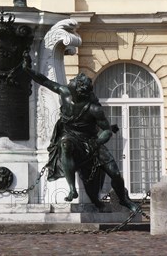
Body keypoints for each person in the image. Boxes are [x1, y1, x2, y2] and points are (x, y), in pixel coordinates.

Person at [26, 69, 139, 213]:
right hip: (70, 135)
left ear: (78, 91)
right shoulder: (65, 93)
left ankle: (123, 199)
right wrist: (27, 70)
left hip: (91, 139)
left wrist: (97, 142)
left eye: (72, 83)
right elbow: (45, 81)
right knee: (64, 144)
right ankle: (72, 189)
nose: (69, 83)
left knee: (115, 174)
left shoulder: (94, 109)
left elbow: (107, 130)